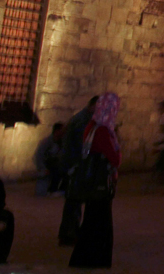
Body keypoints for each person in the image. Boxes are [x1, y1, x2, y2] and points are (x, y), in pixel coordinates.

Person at [70, 91, 121, 269]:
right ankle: (95, 260)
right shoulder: (102, 130)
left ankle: (83, 259)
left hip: (92, 183)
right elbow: (114, 158)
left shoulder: (91, 126)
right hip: (99, 185)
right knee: (99, 225)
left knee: (91, 223)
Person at [59, 96, 98, 245]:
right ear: (93, 106)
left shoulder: (80, 118)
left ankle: (69, 233)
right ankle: (69, 234)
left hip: (73, 165)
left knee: (73, 201)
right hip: (76, 165)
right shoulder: (83, 121)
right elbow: (83, 146)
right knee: (74, 201)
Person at [34, 123, 65, 194]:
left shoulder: (61, 142)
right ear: (57, 131)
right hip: (47, 164)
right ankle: (52, 189)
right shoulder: (46, 142)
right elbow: (39, 156)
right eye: (62, 130)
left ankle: (59, 188)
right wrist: (43, 168)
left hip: (55, 163)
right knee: (56, 168)